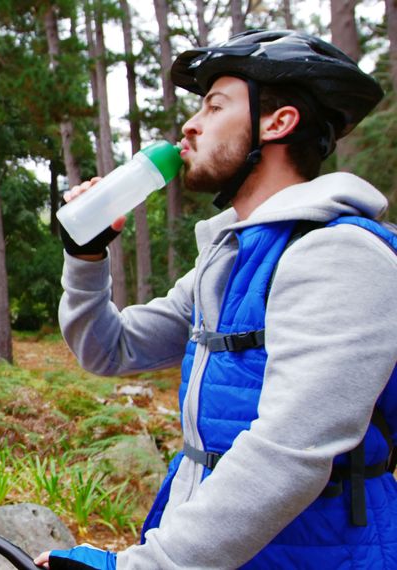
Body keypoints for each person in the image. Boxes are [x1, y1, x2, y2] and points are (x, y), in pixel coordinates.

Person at [38, 30, 396, 569]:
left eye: (214, 105)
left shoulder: (339, 253)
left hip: (317, 553)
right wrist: (85, 259)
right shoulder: (227, 260)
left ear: (279, 123)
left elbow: (289, 453)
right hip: (210, 549)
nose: (190, 124)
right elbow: (109, 350)